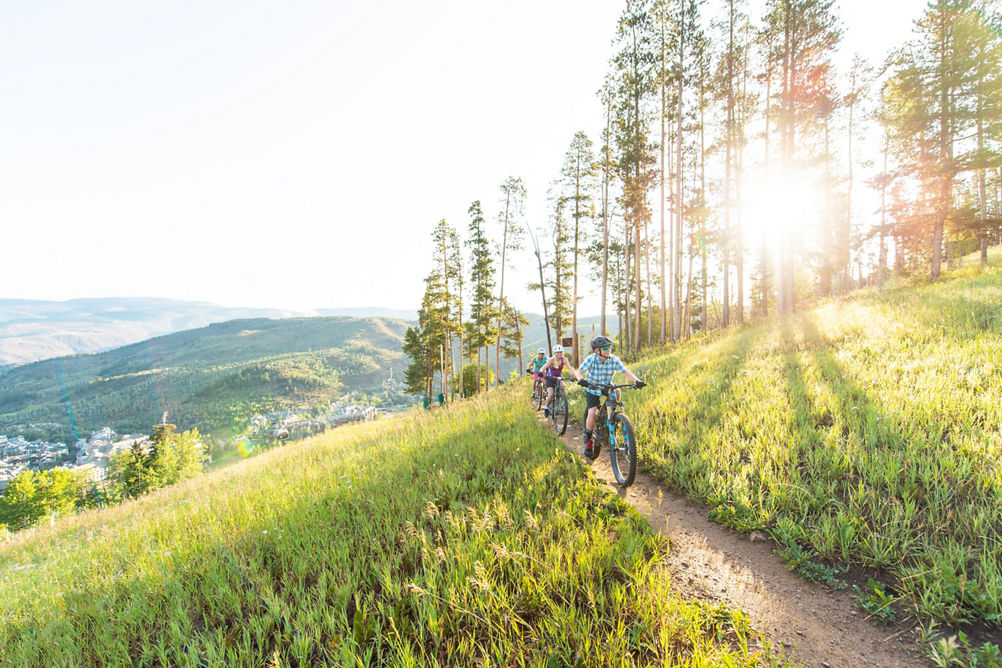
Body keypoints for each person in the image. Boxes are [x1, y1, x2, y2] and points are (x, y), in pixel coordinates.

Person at [574, 335, 645, 458]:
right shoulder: (591, 359)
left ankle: (611, 416)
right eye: (605, 347)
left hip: (606, 385)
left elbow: (626, 372)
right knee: (592, 412)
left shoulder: (614, 360)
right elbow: (578, 372)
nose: (609, 350)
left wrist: (636, 381)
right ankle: (588, 439)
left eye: (609, 347)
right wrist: (581, 380)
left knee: (616, 391)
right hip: (592, 387)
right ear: (597, 351)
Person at [537, 344, 575, 418]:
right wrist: (541, 372)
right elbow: (543, 367)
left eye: (560, 352)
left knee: (563, 387)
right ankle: (546, 408)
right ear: (554, 353)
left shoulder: (564, 359)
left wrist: (575, 376)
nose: (559, 354)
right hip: (550, 378)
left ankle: (563, 406)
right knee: (551, 394)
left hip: (558, 377)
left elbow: (570, 368)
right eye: (557, 352)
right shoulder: (551, 360)